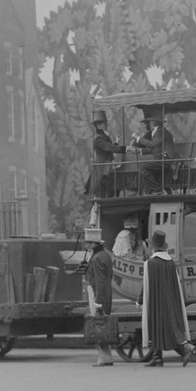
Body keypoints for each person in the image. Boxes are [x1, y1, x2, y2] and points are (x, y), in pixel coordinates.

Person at [138, 229, 196, 367]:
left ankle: (186, 348)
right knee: (166, 327)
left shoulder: (150, 263)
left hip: (156, 301)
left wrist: (139, 300)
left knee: (157, 326)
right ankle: (157, 357)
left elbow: (146, 285)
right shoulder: (171, 263)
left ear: (152, 247)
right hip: (170, 300)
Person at [83, 227, 116, 367]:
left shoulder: (96, 258)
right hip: (106, 292)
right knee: (103, 324)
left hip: (97, 292)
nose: (86, 245)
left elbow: (99, 281)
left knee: (98, 324)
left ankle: (104, 357)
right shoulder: (105, 255)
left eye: (87, 243)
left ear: (93, 244)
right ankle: (107, 355)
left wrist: (97, 303)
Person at [131, 111, 176, 195]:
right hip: (160, 160)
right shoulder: (157, 133)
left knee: (144, 167)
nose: (149, 123)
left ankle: (157, 190)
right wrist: (139, 151)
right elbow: (153, 149)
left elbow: (152, 144)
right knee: (145, 168)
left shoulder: (161, 132)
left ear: (154, 122)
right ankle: (150, 191)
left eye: (150, 121)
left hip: (166, 161)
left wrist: (138, 138)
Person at [85, 109, 125, 198]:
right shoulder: (99, 138)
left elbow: (109, 147)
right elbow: (109, 148)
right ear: (98, 125)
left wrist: (116, 143)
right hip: (102, 166)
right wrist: (125, 149)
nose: (107, 124)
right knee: (103, 185)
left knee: (107, 184)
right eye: (104, 123)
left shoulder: (103, 136)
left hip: (106, 165)